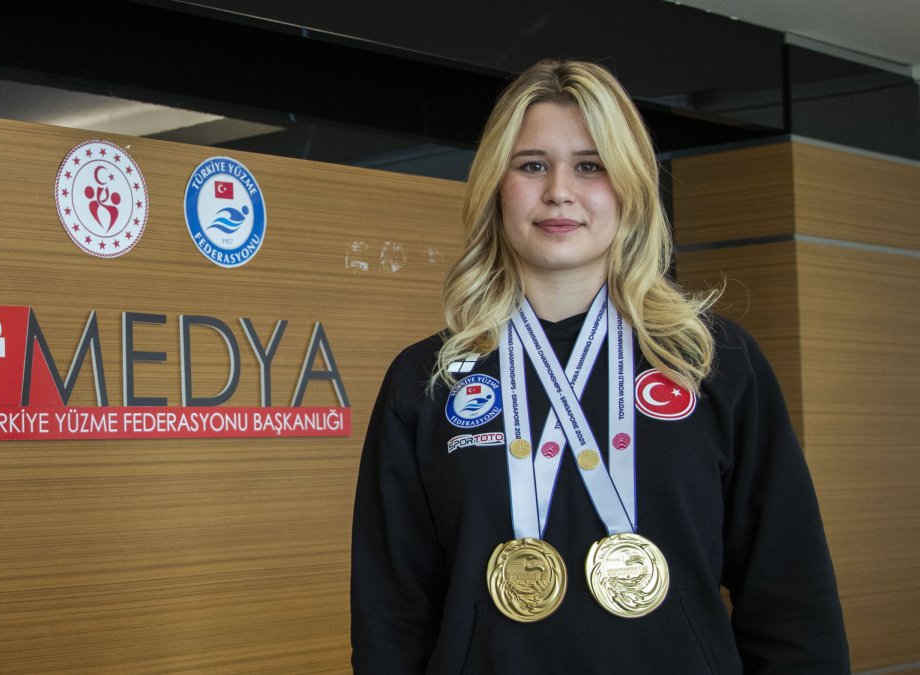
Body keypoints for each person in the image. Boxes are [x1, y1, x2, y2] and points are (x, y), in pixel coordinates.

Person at [351, 59, 849, 674]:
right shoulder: (428, 380)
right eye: (532, 164)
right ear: (495, 187)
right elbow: (390, 617)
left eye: (590, 165)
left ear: (630, 186)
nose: (559, 189)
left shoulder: (710, 361)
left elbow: (792, 601)